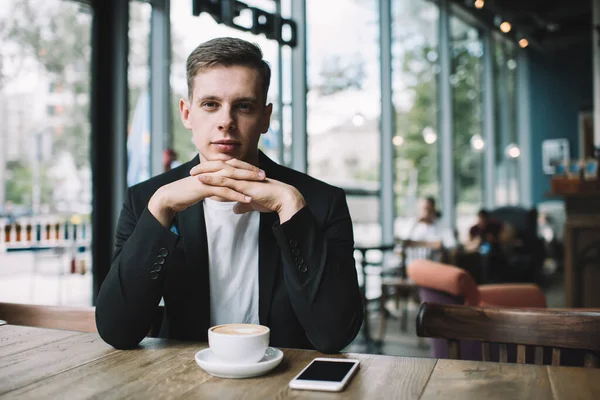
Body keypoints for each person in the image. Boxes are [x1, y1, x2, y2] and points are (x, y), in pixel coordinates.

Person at [95, 37, 363, 353]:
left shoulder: (320, 203)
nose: (226, 122)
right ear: (186, 113)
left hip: (284, 382)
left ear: (265, 118)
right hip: (182, 381)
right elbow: (116, 331)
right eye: (210, 104)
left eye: (244, 106)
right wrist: (160, 209)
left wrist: (290, 209)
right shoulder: (147, 200)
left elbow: (335, 335)